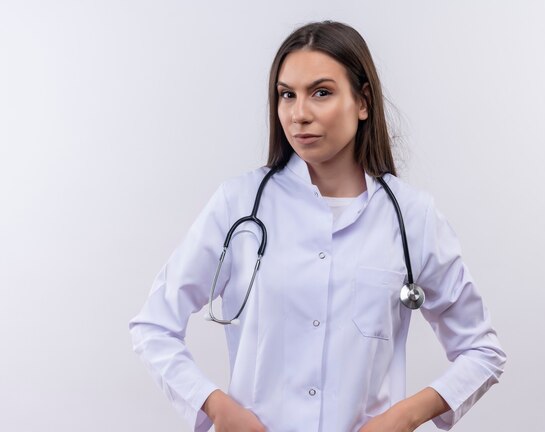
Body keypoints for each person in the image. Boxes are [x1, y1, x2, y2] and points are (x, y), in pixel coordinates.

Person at [129, 21, 506, 432]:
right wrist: (217, 408)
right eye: (287, 94)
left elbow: (481, 350)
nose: (299, 113)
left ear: (363, 102)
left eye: (321, 93)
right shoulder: (237, 205)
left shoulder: (413, 216)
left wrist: (403, 416)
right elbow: (154, 326)